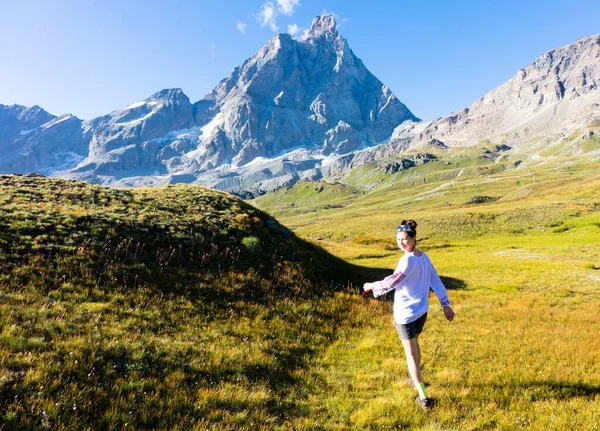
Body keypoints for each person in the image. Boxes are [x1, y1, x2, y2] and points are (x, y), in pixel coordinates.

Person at [362, 219, 455, 411]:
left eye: (404, 239)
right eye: (398, 239)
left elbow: (392, 282)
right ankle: (417, 378)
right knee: (415, 346)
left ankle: (423, 396)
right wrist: (445, 304)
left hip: (406, 315)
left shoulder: (407, 261)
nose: (401, 242)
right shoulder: (423, 257)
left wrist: (371, 286)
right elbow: (435, 280)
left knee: (410, 354)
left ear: (413, 238)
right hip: (421, 312)